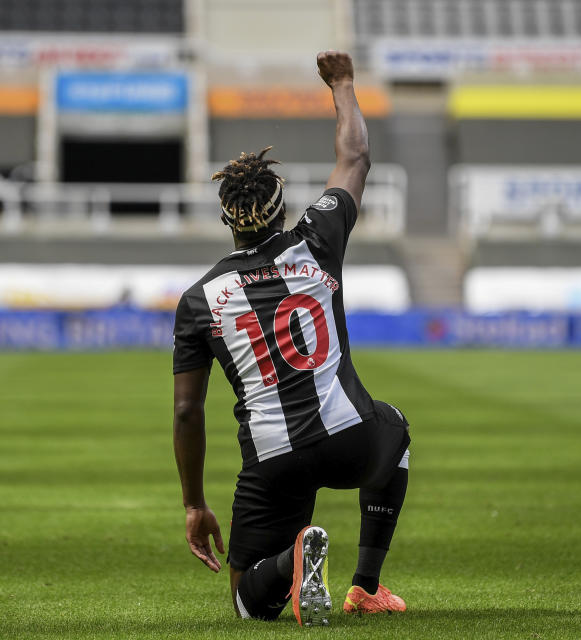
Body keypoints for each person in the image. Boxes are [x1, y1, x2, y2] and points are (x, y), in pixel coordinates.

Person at [172, 50, 410, 627]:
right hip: (352, 439)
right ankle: (366, 586)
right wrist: (344, 84)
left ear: (229, 220)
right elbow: (355, 154)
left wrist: (194, 503)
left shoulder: (200, 299)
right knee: (396, 428)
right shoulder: (318, 237)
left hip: (273, 460)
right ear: (281, 209)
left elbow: (187, 412)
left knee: (249, 603)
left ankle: (289, 560)